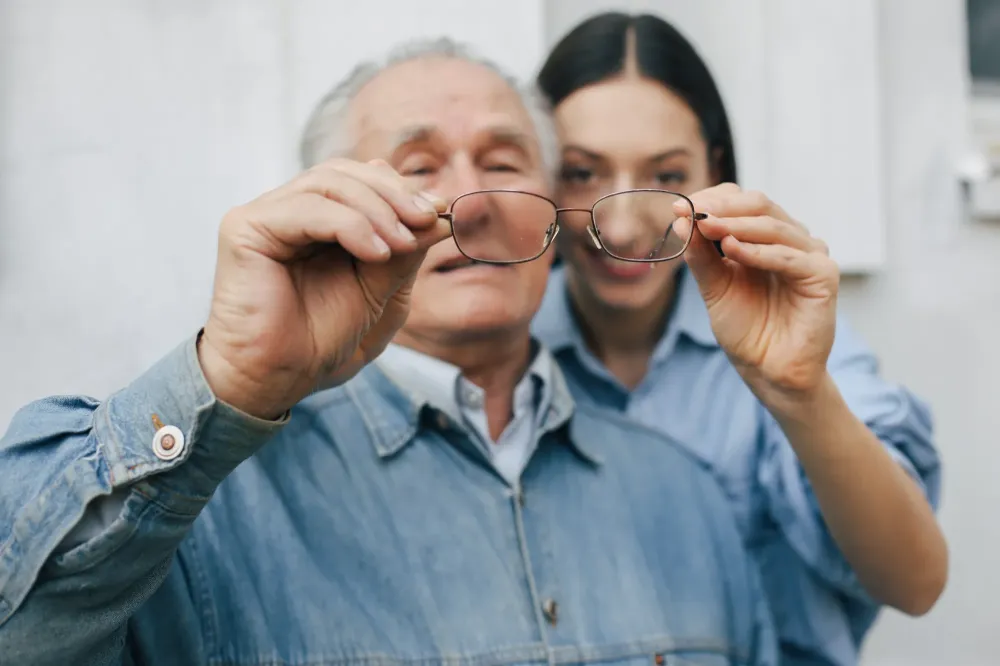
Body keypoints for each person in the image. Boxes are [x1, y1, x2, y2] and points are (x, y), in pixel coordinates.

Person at [0, 39, 777, 665]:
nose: (466, 207)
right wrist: (228, 379)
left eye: (504, 164)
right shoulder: (192, 507)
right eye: (418, 170)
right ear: (331, 208)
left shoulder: (688, 497)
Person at [532, 12, 948, 666]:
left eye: (667, 176)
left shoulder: (790, 337)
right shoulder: (500, 345)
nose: (622, 221)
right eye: (582, 173)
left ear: (714, 171)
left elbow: (915, 582)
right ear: (539, 175)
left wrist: (800, 394)